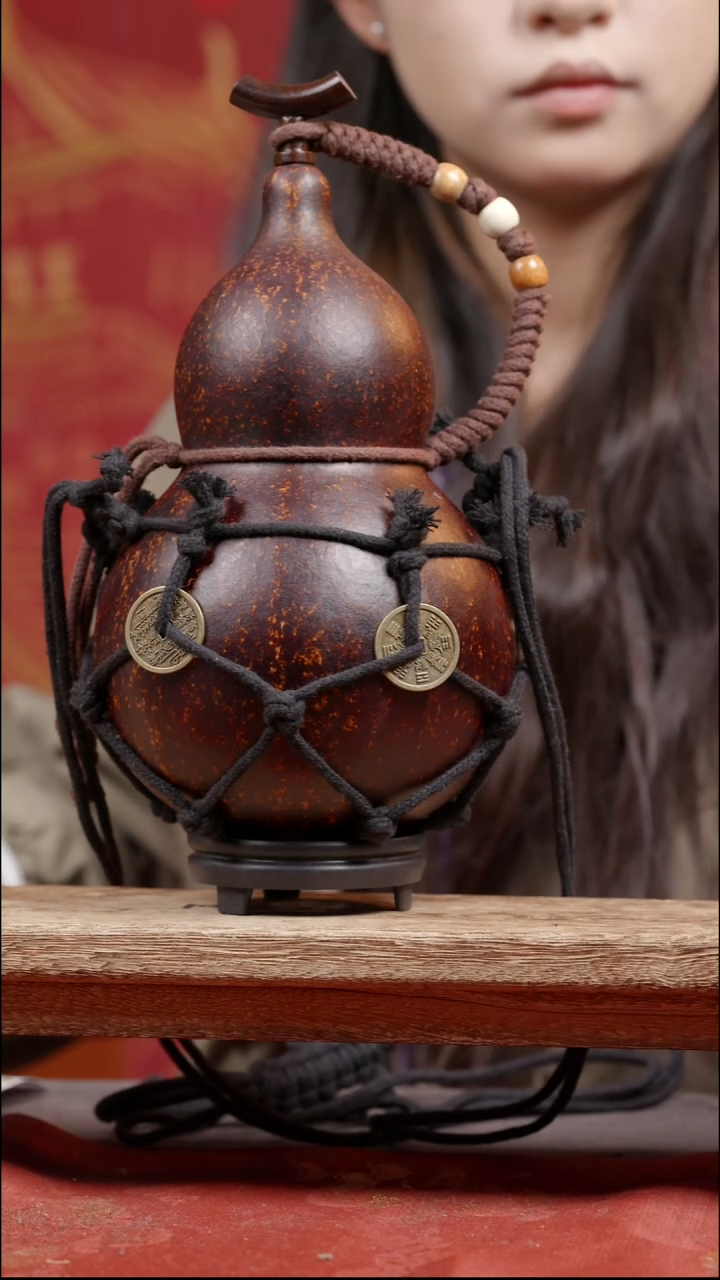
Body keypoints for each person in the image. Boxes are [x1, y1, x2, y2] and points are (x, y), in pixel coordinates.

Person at [3, 0, 717, 1087]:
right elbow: (98, 774)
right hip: (332, 1175)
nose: (570, 7)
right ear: (369, 8)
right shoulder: (247, 421)